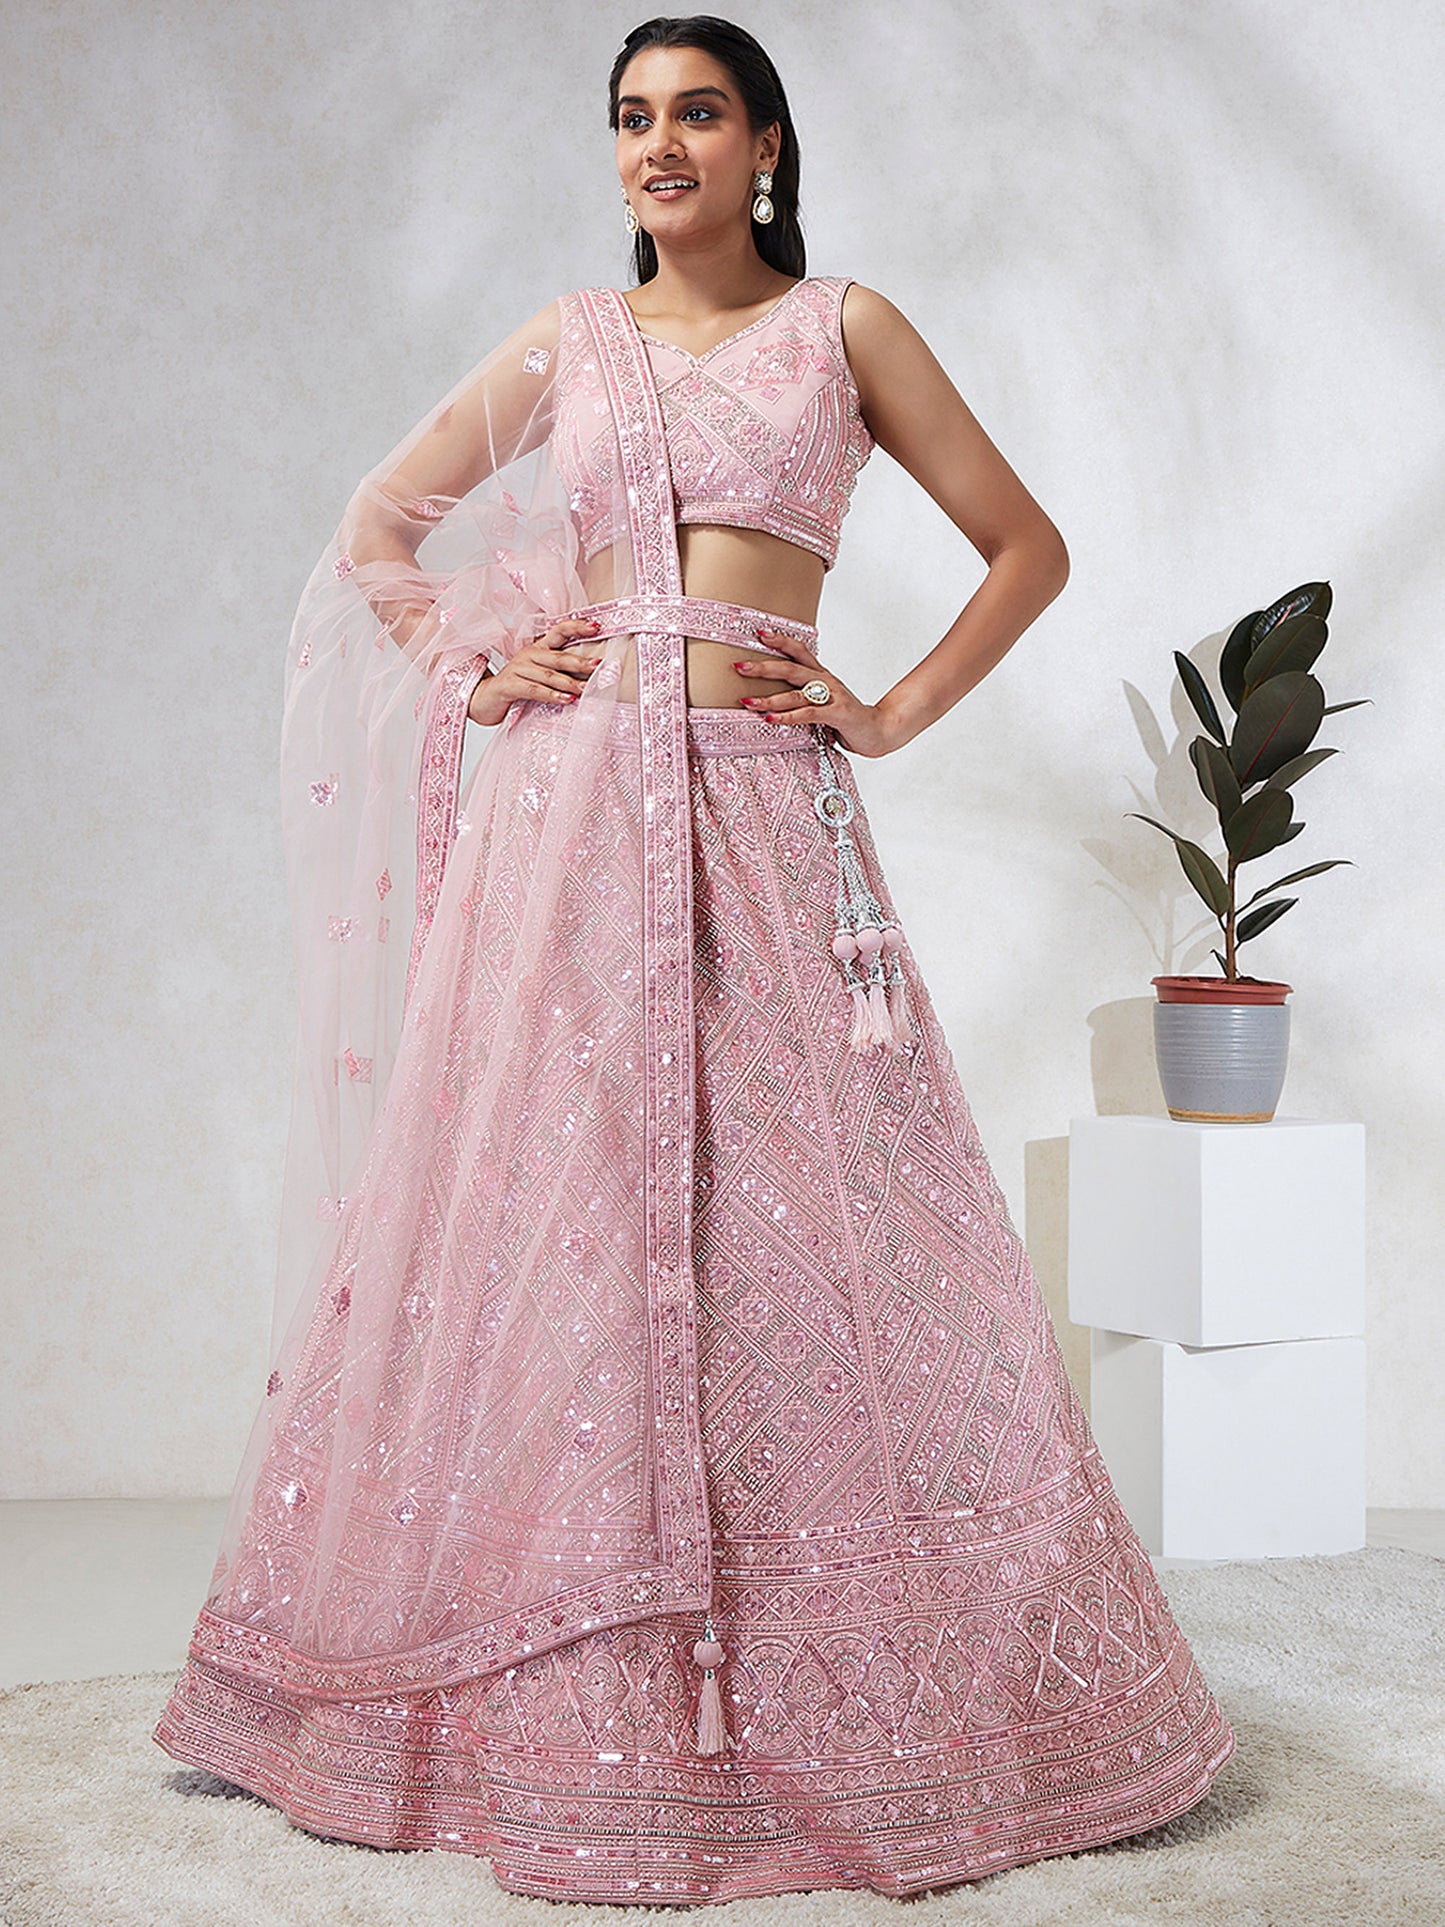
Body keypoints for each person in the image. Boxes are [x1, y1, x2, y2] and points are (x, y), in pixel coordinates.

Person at [153, 14, 1234, 1906]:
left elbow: (1023, 546)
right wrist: (478, 658)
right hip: (570, 827)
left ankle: (854, 1678)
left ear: (767, 146)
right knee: (560, 1222)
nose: (660, 146)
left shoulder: (846, 330)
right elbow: (379, 528)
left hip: (759, 810)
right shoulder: (569, 342)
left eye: (698, 114)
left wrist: (882, 714)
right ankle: (540, 1688)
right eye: (632, 119)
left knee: (823, 1220)